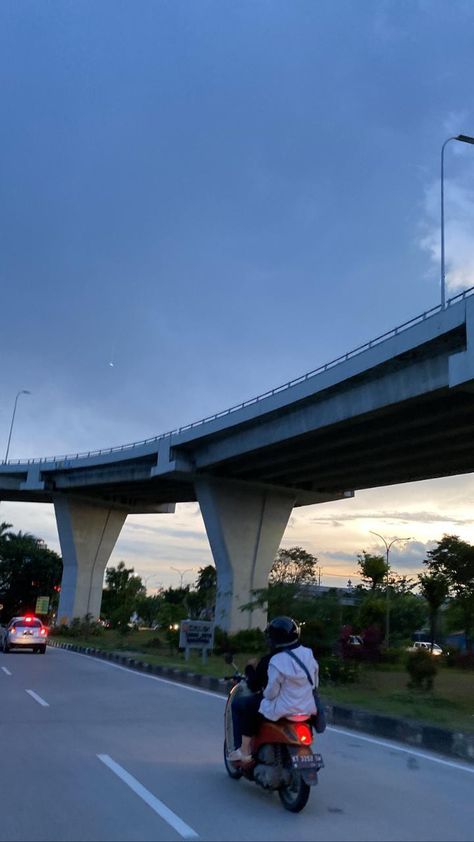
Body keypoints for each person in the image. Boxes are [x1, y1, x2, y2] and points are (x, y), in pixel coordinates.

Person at [228, 616, 319, 763]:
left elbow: (270, 693)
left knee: (242, 705)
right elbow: (314, 683)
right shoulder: (308, 654)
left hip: (283, 708)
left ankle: (244, 750)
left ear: (273, 638)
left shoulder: (274, 660)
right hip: (307, 708)